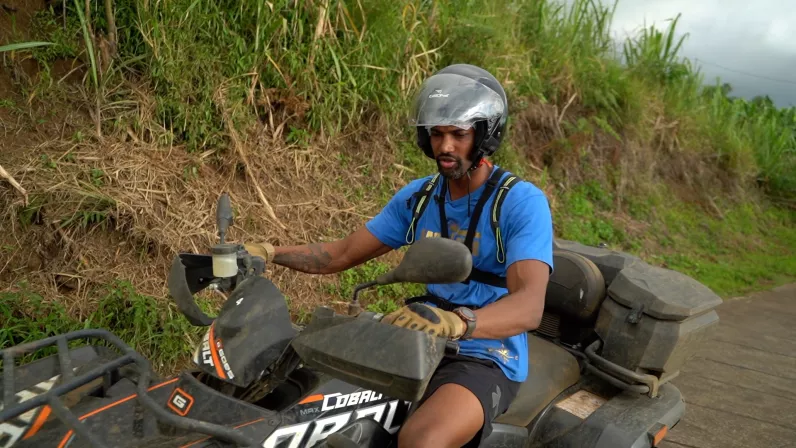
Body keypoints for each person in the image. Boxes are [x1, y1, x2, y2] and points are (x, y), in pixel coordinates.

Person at [245, 63, 553, 448]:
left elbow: (528, 306)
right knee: (308, 403)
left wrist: (458, 323)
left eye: (458, 134)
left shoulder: (520, 202)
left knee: (421, 442)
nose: (445, 147)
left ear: (485, 136)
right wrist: (269, 253)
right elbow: (339, 254)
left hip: (485, 353)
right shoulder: (420, 196)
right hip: (416, 336)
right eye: (437, 134)